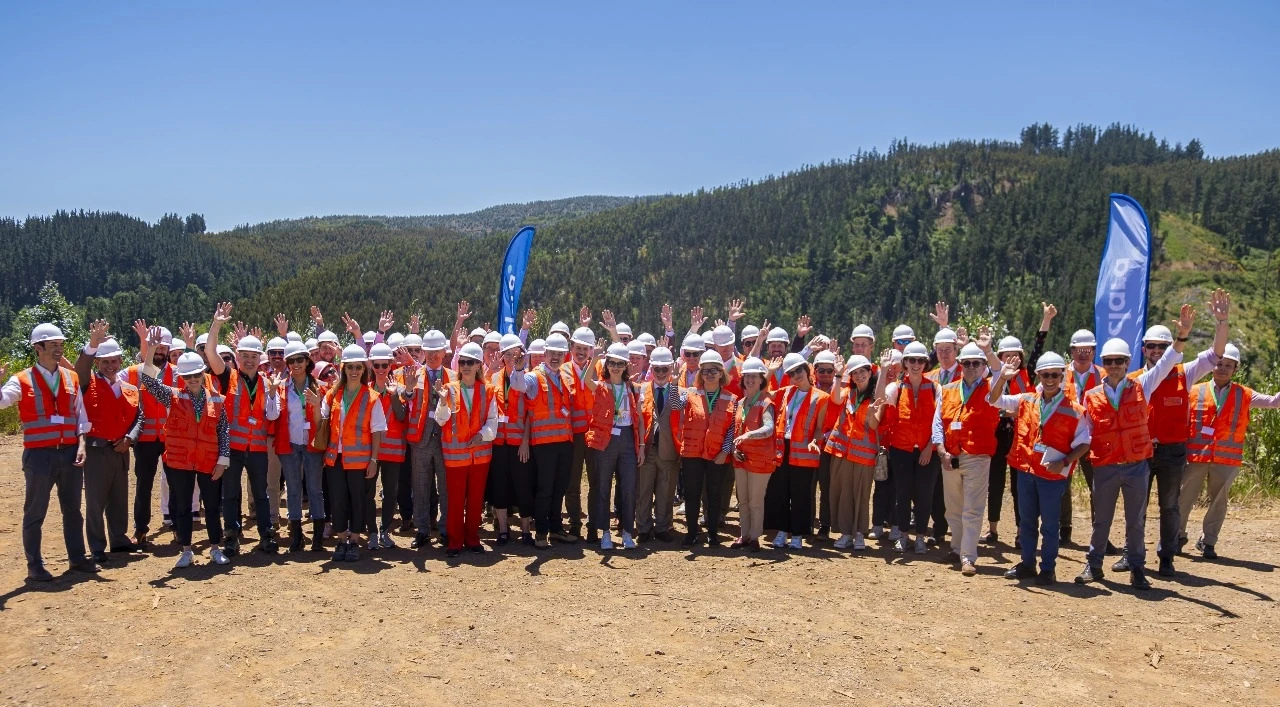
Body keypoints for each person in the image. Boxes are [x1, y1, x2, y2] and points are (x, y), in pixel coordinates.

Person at [1074, 305, 1192, 590]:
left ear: (1128, 362)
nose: (1114, 365)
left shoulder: (1143, 385)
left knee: (1135, 521)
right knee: (1101, 520)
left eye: (1119, 361)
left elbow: (1166, 363)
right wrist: (1064, 457)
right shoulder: (1091, 395)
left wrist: (1182, 336)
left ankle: (1137, 568)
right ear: (1104, 363)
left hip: (1136, 465)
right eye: (1110, 361)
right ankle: (1094, 565)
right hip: (1105, 467)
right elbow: (1082, 432)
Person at [1112, 289, 1228, 576]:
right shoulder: (1133, 380)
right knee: (1135, 506)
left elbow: (1216, 354)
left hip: (1172, 452)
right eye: (1151, 345)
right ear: (1143, 350)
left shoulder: (1185, 373)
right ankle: (1131, 553)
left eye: (1162, 346)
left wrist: (1221, 322)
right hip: (1139, 451)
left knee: (1170, 507)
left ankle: (1166, 557)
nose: (1156, 350)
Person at [0, 323, 100, 581]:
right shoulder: (21, 379)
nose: (59, 349)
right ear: (38, 347)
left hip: (69, 452)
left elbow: (80, 414)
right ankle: (35, 565)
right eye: (53, 345)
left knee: (73, 510)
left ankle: (77, 559)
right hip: (39, 456)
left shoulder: (71, 377)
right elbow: (3, 401)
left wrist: (81, 444)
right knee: (35, 512)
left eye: (61, 345)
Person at [988, 352, 1090, 585]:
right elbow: (994, 401)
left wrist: (1064, 462)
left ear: (1062, 376)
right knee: (1026, 521)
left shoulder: (1075, 409)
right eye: (1046, 374)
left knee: (1050, 525)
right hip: (1026, 471)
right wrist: (1002, 379)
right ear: (1038, 376)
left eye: (1055, 374)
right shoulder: (1026, 400)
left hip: (1052, 476)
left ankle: (1048, 569)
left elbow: (1084, 442)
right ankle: (1027, 564)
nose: (1050, 379)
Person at [135, 327, 231, 569]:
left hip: (209, 461)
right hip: (180, 462)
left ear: (203, 373)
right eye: (188, 376)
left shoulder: (217, 399)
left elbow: (223, 432)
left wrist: (223, 460)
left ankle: (215, 548)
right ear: (182, 378)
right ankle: (186, 550)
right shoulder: (173, 396)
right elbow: (146, 379)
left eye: (197, 374)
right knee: (183, 506)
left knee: (211, 507)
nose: (193, 379)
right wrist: (152, 351)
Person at [1177, 343, 1280, 560]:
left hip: (1226, 460)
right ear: (1211, 365)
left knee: (1218, 502)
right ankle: (1176, 537)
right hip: (1196, 456)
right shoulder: (1194, 391)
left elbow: (1273, 403)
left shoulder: (1245, 394)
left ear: (1236, 369)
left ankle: (1208, 541)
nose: (1223, 368)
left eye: (1229, 365)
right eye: (1219, 363)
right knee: (1184, 498)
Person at [204, 303, 281, 556]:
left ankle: (266, 535)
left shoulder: (268, 382)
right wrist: (216, 325)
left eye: (254, 356)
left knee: (261, 494)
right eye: (245, 356)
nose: (249, 360)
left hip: (257, 447)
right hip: (232, 448)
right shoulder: (229, 377)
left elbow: (272, 414)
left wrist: (271, 395)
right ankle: (231, 536)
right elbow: (211, 353)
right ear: (238, 358)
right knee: (231, 494)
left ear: (261, 359)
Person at [982, 303, 1054, 546]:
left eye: (1015, 355)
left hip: (1022, 433)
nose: (1011, 358)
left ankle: (1021, 531)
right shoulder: (996, 373)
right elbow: (990, 360)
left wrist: (1046, 320)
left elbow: (1038, 347)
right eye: (1005, 355)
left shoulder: (1029, 373)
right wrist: (989, 350)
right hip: (997, 432)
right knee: (995, 482)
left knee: (1018, 486)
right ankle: (992, 529)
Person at [74, 324, 143, 563]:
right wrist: (92, 344)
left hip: (121, 451)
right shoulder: (86, 382)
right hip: (96, 451)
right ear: (97, 363)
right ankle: (96, 546)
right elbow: (80, 366)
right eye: (105, 362)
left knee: (118, 498)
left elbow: (138, 417)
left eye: (114, 361)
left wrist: (130, 439)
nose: (110, 366)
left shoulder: (130, 389)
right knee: (95, 500)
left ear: (121, 361)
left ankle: (119, 540)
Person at [932, 342, 1001, 576]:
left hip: (978, 457)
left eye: (976, 363)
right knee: (952, 508)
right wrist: (941, 451)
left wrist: (989, 351)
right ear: (960, 365)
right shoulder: (947, 389)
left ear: (983, 366)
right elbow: (938, 422)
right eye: (967, 363)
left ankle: (968, 557)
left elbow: (1001, 373)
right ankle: (957, 547)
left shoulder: (993, 389)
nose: (971, 367)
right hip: (950, 455)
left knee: (972, 509)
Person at [508, 333, 578, 548]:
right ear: (544, 354)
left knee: (560, 488)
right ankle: (541, 532)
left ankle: (556, 529)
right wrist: (518, 369)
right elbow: (518, 385)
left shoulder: (565, 376)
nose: (555, 357)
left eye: (559, 354)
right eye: (552, 353)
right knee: (545, 489)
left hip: (565, 443)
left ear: (565, 355)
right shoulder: (533, 377)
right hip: (544, 444)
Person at [320, 344, 386, 562]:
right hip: (335, 458)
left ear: (363, 369)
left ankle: (355, 541)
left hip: (360, 460)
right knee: (337, 500)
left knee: (358, 500)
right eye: (350, 367)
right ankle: (341, 540)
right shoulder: (332, 394)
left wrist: (374, 459)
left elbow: (377, 431)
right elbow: (322, 423)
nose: (354, 371)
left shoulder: (372, 397)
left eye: (358, 367)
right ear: (344, 368)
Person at [433, 342, 498, 557]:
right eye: (462, 362)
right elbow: (441, 420)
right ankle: (454, 541)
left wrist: (481, 436)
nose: (466, 366)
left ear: (479, 365)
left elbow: (492, 420)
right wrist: (442, 403)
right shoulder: (449, 389)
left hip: (480, 456)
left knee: (476, 499)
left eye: (470, 362)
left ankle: (472, 538)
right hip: (455, 457)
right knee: (455, 500)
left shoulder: (488, 390)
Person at [667, 350, 737, 547]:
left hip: (717, 453)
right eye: (705, 370)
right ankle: (691, 533)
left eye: (714, 370)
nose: (709, 374)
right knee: (692, 494)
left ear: (721, 372)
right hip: (692, 453)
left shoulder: (731, 398)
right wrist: (673, 383)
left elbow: (732, 428)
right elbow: (674, 406)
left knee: (714, 494)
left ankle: (713, 534)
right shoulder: (690, 393)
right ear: (700, 373)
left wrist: (725, 451)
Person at [765, 353, 831, 550]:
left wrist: (814, 440)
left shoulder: (822, 398)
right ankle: (783, 532)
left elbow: (820, 427)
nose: (796, 376)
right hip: (783, 448)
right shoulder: (786, 392)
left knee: (801, 494)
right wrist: (769, 374)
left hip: (804, 452)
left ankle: (798, 535)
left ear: (807, 370)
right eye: (791, 373)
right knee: (781, 492)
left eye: (799, 371)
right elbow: (763, 394)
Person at [879, 341, 938, 555]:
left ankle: (920, 537)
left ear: (925, 363)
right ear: (904, 363)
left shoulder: (934, 387)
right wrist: (884, 370)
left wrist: (928, 447)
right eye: (912, 360)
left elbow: (940, 423)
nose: (916, 364)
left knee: (924, 495)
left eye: (920, 360)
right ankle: (903, 536)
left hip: (926, 451)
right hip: (901, 449)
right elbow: (879, 401)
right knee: (902, 494)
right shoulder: (895, 387)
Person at [123, 320, 177, 549]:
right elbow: (108, 381)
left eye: (163, 347)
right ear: (148, 346)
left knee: (176, 483)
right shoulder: (134, 373)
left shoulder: (178, 372)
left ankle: (177, 528)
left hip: (171, 437)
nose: (160, 350)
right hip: (144, 438)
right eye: (156, 346)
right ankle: (141, 529)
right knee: (143, 485)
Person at [583, 343, 643, 549]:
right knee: (603, 486)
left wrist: (641, 446)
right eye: (612, 363)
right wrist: (594, 358)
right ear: (607, 365)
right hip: (605, 440)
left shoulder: (632, 388)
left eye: (620, 363)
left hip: (627, 439)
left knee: (628, 488)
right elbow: (585, 380)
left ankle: (627, 532)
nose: (616, 367)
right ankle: (605, 533)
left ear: (626, 366)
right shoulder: (601, 387)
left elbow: (640, 420)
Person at [824, 355, 883, 550]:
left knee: (861, 495)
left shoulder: (876, 397)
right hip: (842, 452)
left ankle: (859, 534)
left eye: (862, 372)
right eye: (855, 373)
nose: (859, 376)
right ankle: (846, 533)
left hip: (864, 455)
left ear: (870, 372)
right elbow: (834, 398)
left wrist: (876, 410)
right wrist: (839, 374)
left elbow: (874, 425)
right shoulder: (848, 392)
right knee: (843, 493)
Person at [274, 340, 327, 552]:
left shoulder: (319, 388)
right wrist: (271, 394)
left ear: (307, 361)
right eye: (291, 361)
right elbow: (274, 414)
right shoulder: (280, 387)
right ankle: (296, 536)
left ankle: (317, 538)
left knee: (315, 490)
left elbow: (323, 419)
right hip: (290, 444)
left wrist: (315, 405)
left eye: (299, 360)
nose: (296, 364)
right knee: (293, 490)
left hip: (312, 445)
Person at [402, 329, 453, 549]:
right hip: (420, 438)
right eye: (429, 351)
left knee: (446, 487)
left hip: (445, 439)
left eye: (437, 351)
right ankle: (422, 529)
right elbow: (404, 397)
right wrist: (410, 390)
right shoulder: (414, 373)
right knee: (421, 486)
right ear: (423, 352)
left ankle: (445, 529)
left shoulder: (453, 375)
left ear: (444, 352)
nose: (433, 356)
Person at [1060, 328, 1106, 546]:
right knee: (1062, 485)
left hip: (1093, 439)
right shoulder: (1059, 375)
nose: (1083, 354)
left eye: (1087, 350)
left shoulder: (1103, 376)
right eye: (1079, 349)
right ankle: (1064, 531)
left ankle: (1100, 536)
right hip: (1065, 437)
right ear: (1072, 351)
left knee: (1097, 488)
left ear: (1094, 351)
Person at [490, 334, 533, 545]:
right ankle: (504, 530)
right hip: (498, 443)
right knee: (500, 485)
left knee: (523, 484)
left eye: (515, 354)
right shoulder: (494, 378)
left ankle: (525, 530)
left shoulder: (527, 377)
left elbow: (530, 414)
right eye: (508, 354)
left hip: (519, 443)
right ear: (501, 356)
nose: (512, 358)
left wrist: (525, 441)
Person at [731, 357, 777, 550]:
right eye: (747, 376)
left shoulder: (766, 403)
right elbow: (734, 430)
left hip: (760, 461)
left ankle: (756, 537)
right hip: (741, 458)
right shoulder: (741, 402)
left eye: (754, 376)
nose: (750, 380)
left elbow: (769, 428)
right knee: (742, 499)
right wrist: (734, 449)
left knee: (755, 500)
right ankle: (745, 535)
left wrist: (750, 434)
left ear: (761, 380)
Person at [365, 343, 409, 550]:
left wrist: (393, 396)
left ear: (391, 365)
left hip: (393, 450)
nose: (381, 369)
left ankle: (385, 530)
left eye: (385, 365)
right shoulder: (366, 390)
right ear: (371, 366)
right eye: (377, 365)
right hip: (371, 451)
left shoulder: (399, 388)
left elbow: (401, 416)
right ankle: (372, 531)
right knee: (368, 492)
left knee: (391, 492)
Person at [635, 346, 680, 542]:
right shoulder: (641, 389)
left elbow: (679, 408)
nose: (661, 373)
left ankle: (663, 527)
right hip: (647, 449)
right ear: (651, 369)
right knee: (643, 491)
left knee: (666, 490)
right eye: (657, 369)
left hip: (669, 449)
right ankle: (643, 528)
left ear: (671, 369)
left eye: (665, 369)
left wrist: (676, 384)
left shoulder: (679, 390)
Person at [564, 322, 599, 540]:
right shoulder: (564, 369)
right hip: (573, 435)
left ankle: (593, 526)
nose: (581, 351)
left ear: (591, 351)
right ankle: (575, 524)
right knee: (572, 482)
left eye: (586, 348)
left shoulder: (599, 368)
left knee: (596, 482)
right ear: (572, 346)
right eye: (578, 347)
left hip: (594, 434)